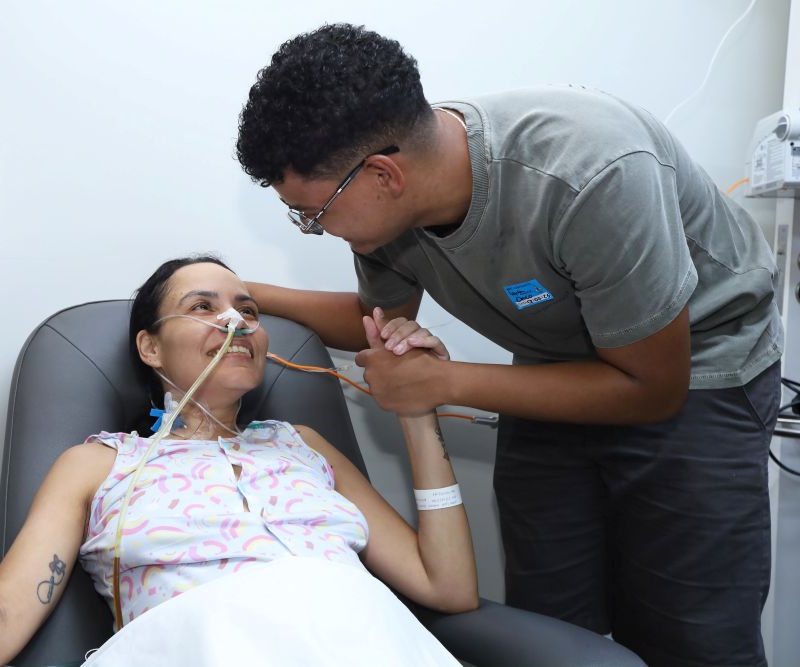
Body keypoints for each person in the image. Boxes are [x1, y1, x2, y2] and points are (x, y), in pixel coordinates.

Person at [234, 23, 783, 667]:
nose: (313, 232)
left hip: (696, 374)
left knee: (692, 633)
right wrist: (235, 292)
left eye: (314, 214)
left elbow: (652, 388)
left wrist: (446, 382)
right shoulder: (390, 218)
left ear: (383, 174)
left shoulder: (589, 171)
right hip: (553, 374)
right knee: (548, 626)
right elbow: (372, 319)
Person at [0, 255, 478, 666]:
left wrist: (419, 413)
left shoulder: (304, 446)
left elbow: (446, 587)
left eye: (247, 310)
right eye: (202, 306)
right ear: (149, 346)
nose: (235, 321)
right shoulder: (100, 464)